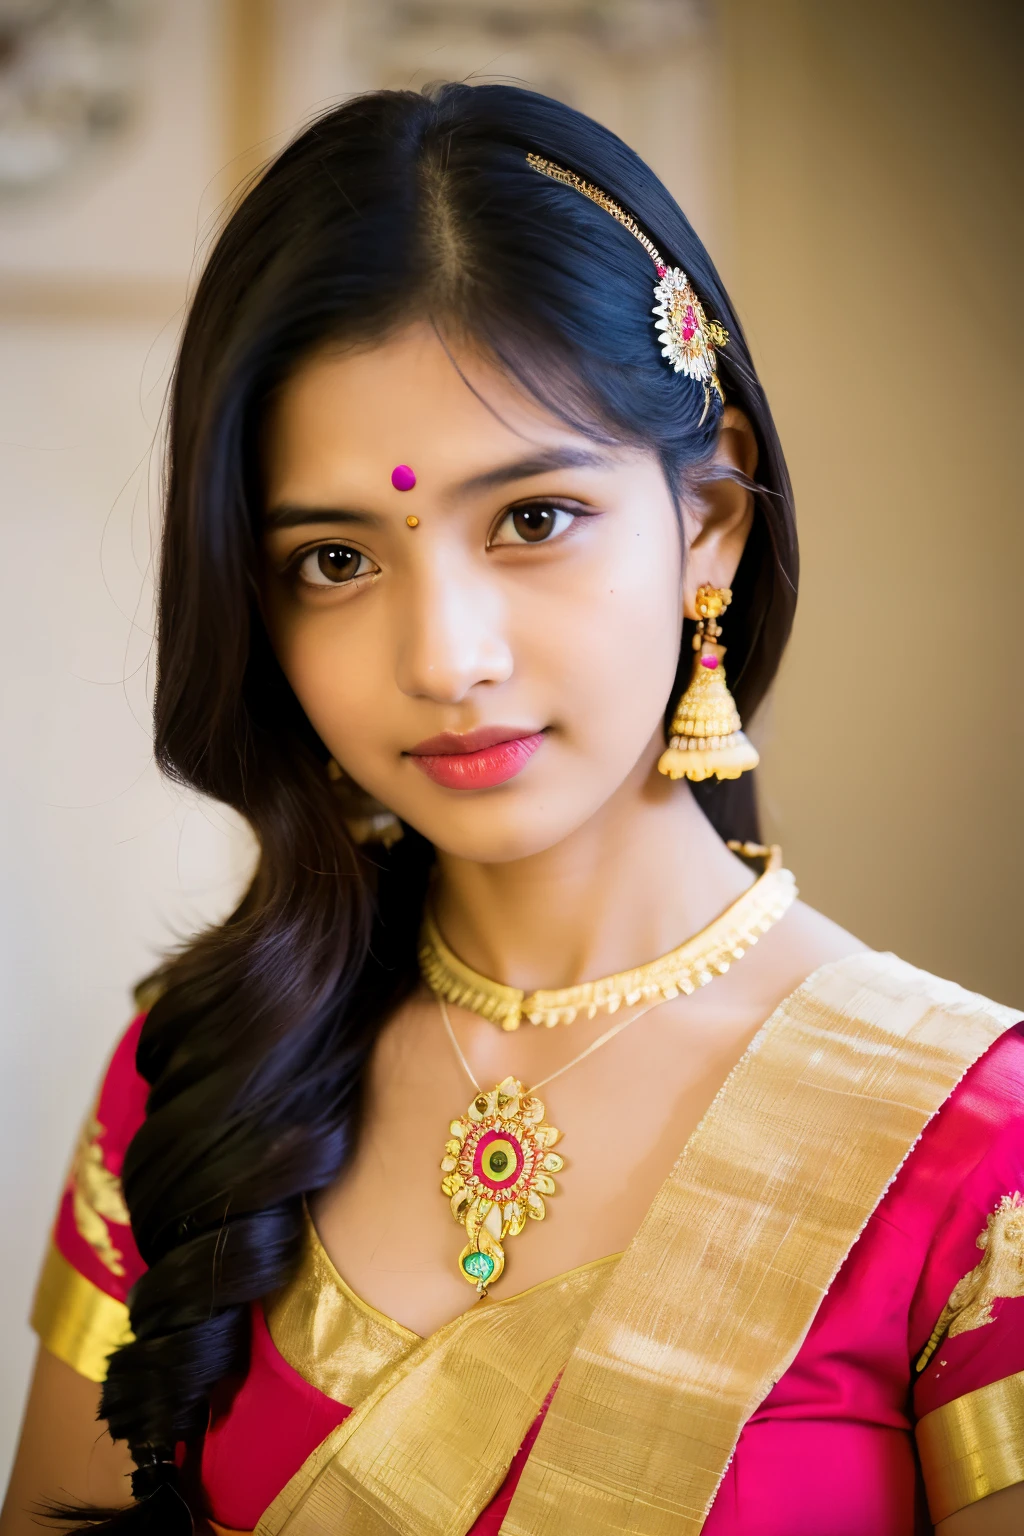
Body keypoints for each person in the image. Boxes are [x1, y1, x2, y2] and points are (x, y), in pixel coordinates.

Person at [2, 83, 1021, 1536]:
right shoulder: (203, 1083)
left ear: (710, 522)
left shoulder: (969, 1146)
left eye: (533, 521)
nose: (443, 659)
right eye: (337, 560)